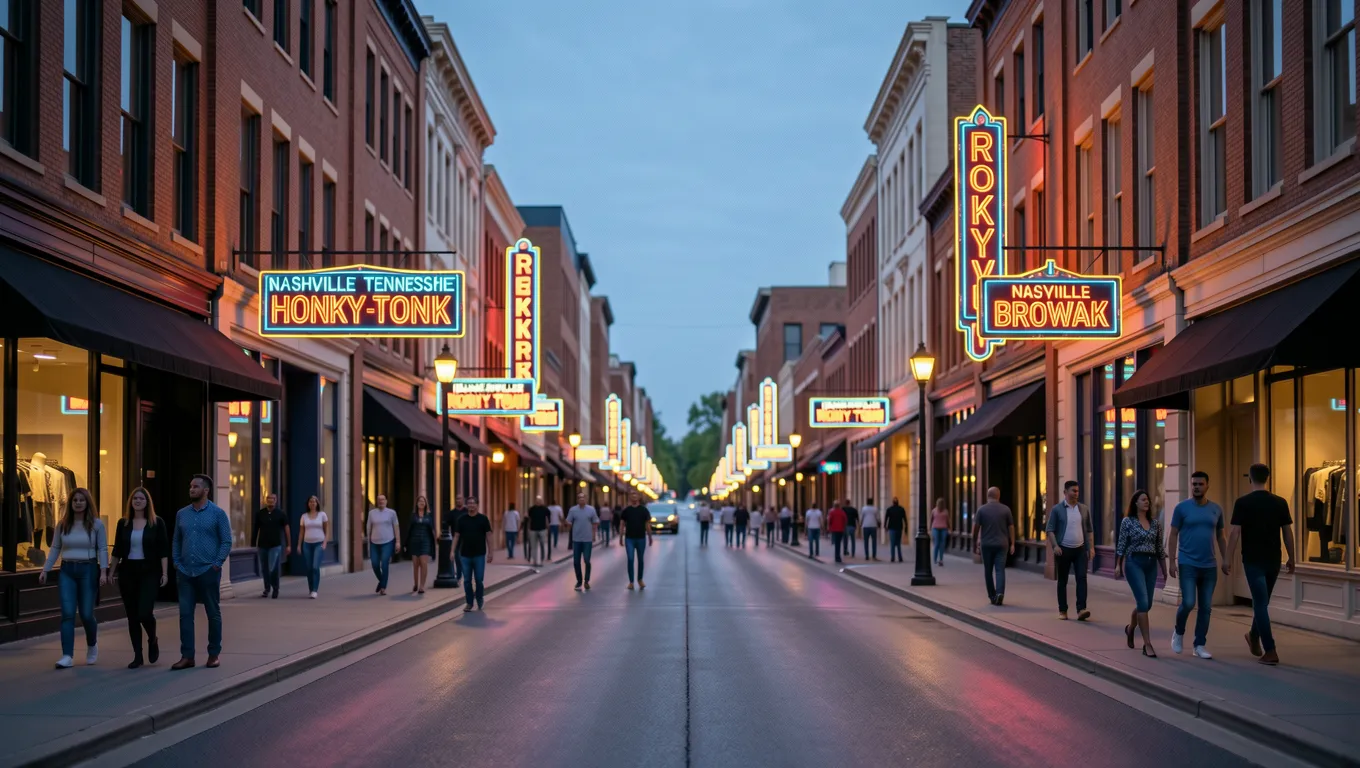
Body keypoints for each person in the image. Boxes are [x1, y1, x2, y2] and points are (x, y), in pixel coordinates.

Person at [1228, 463, 1297, 666]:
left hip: (1252, 559)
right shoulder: (1280, 502)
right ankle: (1253, 635)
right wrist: (1291, 557)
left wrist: (1226, 558)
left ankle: (1270, 650)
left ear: (1250, 478)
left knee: (1260, 603)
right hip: (1273, 559)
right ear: (1268, 478)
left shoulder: (1242, 503)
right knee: (1262, 603)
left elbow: (1234, 533)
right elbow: (1287, 532)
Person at [40, 488, 108, 669]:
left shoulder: (96, 525)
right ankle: (67, 655)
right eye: (75, 500)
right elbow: (55, 548)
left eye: (81, 500)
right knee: (68, 614)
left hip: (88, 569)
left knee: (86, 614)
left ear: (87, 503)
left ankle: (92, 644)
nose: (78, 503)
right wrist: (45, 569)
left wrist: (103, 571)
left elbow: (102, 549)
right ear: (70, 503)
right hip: (67, 570)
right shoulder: (63, 525)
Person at [171, 474, 230, 670]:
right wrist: (177, 562)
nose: (191, 489)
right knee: (185, 614)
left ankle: (214, 654)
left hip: (208, 570)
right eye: (190, 486)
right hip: (185, 572)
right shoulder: (182, 514)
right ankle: (187, 656)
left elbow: (226, 541)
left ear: (206, 490)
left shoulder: (218, 514)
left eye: (195, 487)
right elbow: (177, 540)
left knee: (212, 613)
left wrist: (216, 564)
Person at [1169, 471, 1228, 659]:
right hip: (1187, 562)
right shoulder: (1181, 508)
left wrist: (1226, 559)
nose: (1196, 487)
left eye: (1200, 484)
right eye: (1194, 484)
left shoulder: (1216, 509)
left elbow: (1221, 536)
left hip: (1209, 565)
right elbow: (1173, 534)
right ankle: (1178, 632)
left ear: (1207, 485)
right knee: (1188, 602)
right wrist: (1171, 560)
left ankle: (1199, 644)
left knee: (1206, 607)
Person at [112, 487, 168, 668]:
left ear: (147, 502)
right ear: (131, 502)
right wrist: (110, 572)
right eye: (135, 498)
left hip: (149, 571)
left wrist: (165, 573)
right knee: (132, 616)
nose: (137, 501)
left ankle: (152, 638)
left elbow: (163, 550)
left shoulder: (156, 522)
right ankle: (137, 655)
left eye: (141, 499)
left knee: (144, 612)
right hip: (128, 571)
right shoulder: (123, 523)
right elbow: (117, 550)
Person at [1114, 489, 1167, 658]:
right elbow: (1121, 544)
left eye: (1148, 500)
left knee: (1147, 604)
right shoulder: (1127, 522)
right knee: (1143, 603)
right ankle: (1148, 644)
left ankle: (1130, 629)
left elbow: (1160, 548)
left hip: (1151, 564)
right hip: (1134, 563)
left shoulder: (1156, 523)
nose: (1147, 502)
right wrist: (1118, 565)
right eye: (1143, 499)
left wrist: (1165, 572)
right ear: (1135, 503)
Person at [1046, 480, 1094, 622]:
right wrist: (1055, 546)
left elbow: (1089, 530)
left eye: (1077, 491)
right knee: (1062, 580)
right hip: (1063, 550)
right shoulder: (1057, 509)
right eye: (1073, 491)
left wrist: (1090, 547)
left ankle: (1081, 609)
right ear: (1065, 492)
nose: (1076, 493)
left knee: (1082, 578)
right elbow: (1050, 529)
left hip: (1080, 550)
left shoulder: (1083, 509)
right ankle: (1063, 610)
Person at [972, 487, 1015, 606]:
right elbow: (1011, 527)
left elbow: (975, 528)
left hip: (987, 545)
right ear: (998, 496)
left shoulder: (982, 510)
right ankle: (1000, 592)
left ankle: (992, 595)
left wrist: (975, 542)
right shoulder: (1006, 510)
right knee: (1000, 570)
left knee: (988, 571)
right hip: (1002, 544)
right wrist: (1012, 543)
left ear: (987, 496)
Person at [451, 498, 493, 612]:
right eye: (469, 504)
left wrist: (491, 552)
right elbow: (456, 536)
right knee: (467, 581)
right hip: (465, 555)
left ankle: (479, 598)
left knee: (479, 580)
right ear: (467, 505)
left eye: (473, 503)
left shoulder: (483, 519)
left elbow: (489, 535)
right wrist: (452, 551)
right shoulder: (461, 519)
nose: (471, 506)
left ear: (477, 505)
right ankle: (469, 603)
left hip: (479, 554)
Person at [253, 493, 289, 599]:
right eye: (268, 499)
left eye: (273, 499)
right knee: (264, 568)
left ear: (276, 500)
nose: (270, 501)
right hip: (262, 545)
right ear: (266, 500)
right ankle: (267, 588)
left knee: (272, 568)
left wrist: (288, 544)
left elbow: (287, 529)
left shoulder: (280, 514)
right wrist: (253, 542)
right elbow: (256, 528)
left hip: (275, 545)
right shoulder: (260, 514)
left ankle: (275, 588)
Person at [296, 495, 329, 599]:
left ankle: (315, 590)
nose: (312, 503)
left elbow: (327, 530)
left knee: (315, 567)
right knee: (309, 568)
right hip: (307, 544)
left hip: (318, 543)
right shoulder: (304, 516)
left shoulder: (322, 515)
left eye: (314, 502)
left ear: (317, 503)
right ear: (308, 504)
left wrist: (324, 543)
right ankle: (310, 589)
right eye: (310, 502)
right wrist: (299, 545)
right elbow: (301, 532)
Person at [619, 492, 654, 589]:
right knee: (630, 559)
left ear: (639, 497)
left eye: (636, 495)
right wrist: (621, 536)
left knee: (640, 559)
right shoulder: (626, 511)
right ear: (630, 497)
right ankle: (631, 581)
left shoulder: (644, 510)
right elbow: (622, 524)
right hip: (629, 538)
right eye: (632, 495)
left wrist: (650, 537)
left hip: (641, 538)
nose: (634, 497)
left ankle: (640, 579)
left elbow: (647, 525)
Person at [366, 494, 400, 596]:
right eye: (379, 500)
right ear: (377, 501)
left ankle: (383, 587)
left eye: (383, 500)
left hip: (388, 541)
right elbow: (369, 528)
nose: (381, 501)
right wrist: (368, 542)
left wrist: (398, 541)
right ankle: (382, 581)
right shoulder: (372, 513)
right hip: (374, 542)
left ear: (386, 501)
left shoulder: (391, 513)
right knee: (375, 564)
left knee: (384, 563)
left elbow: (396, 527)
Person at [566, 492, 599, 590]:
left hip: (587, 540)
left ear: (586, 499)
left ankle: (587, 581)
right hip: (576, 539)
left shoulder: (591, 509)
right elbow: (568, 521)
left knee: (587, 560)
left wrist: (594, 535)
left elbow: (595, 522)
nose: (581, 499)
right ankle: (579, 581)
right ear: (577, 500)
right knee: (576, 561)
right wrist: (567, 523)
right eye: (580, 498)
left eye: (583, 498)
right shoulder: (573, 510)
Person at [406, 496, 435, 594]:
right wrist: (406, 543)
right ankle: (415, 584)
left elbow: (432, 530)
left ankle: (422, 586)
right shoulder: (413, 515)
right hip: (414, 541)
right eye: (419, 501)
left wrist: (433, 543)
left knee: (423, 563)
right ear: (417, 504)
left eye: (423, 501)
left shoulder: (429, 516)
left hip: (425, 541)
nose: (421, 503)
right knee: (415, 564)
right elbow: (409, 530)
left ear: (425, 503)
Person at [447, 497, 468, 587]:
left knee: (463, 558)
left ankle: (464, 576)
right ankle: (459, 577)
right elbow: (447, 524)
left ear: (463, 501)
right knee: (457, 559)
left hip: (465, 538)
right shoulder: (452, 513)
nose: (458, 500)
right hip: (455, 538)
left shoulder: (466, 511)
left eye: (460, 499)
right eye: (457, 499)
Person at [527, 496, 551, 567]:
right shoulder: (531, 509)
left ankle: (541, 560)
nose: (538, 502)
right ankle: (535, 561)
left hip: (542, 529)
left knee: (542, 545)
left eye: (540, 500)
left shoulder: (545, 509)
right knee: (533, 546)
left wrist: (548, 527)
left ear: (542, 501)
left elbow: (548, 518)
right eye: (537, 500)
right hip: (533, 529)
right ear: (535, 501)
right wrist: (528, 528)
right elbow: (529, 519)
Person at [885, 497, 907, 562]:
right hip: (899, 527)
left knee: (892, 543)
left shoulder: (889, 509)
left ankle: (893, 557)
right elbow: (905, 519)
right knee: (898, 543)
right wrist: (906, 528)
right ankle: (900, 557)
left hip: (892, 528)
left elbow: (886, 518)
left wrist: (885, 526)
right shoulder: (901, 509)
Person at [930, 499, 950, 566]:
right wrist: (930, 529)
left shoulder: (946, 511)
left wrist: (949, 528)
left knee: (942, 544)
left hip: (943, 528)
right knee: (937, 544)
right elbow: (931, 520)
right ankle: (935, 559)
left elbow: (948, 521)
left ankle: (941, 559)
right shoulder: (934, 511)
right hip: (935, 528)